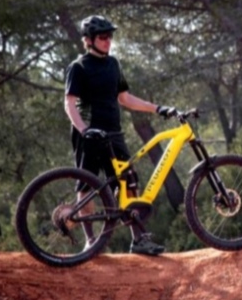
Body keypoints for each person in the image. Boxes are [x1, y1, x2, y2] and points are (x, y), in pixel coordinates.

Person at [64, 15, 175, 256]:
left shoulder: (113, 64)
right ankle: (91, 241)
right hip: (90, 132)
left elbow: (125, 98)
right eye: (103, 37)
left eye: (110, 36)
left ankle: (138, 240)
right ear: (89, 40)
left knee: (128, 181)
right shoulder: (79, 67)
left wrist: (158, 109)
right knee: (87, 184)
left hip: (114, 133)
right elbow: (69, 103)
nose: (108, 41)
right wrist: (84, 129)